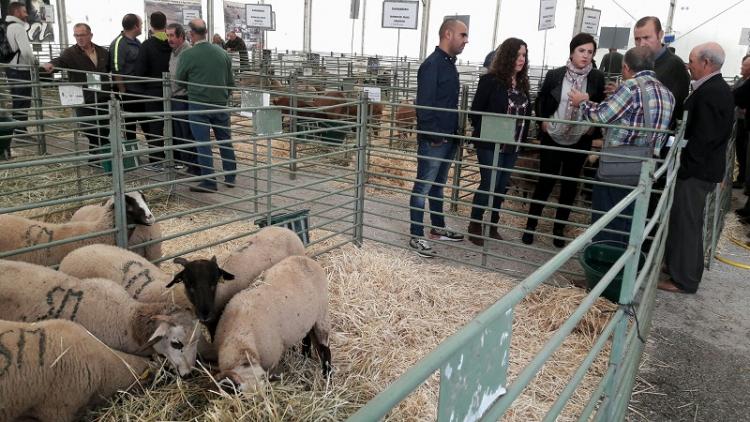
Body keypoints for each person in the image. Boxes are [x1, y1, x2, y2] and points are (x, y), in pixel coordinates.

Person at [569, 46, 675, 244]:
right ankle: (624, 267)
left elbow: (601, 116)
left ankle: (604, 264)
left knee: (609, 220)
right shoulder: (667, 93)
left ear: (626, 67)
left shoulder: (631, 87)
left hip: (618, 167)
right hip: (646, 167)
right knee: (631, 221)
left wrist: (582, 102)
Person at [660, 43, 734, 294]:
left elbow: (705, 138)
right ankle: (681, 269)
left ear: (706, 63)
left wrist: (684, 167)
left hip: (695, 172)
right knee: (685, 221)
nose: (688, 65)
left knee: (687, 224)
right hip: (697, 169)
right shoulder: (713, 89)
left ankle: (685, 280)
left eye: (691, 60)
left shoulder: (713, 92)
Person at [521, 33, 605, 248]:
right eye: (581, 50)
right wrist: (542, 121)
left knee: (570, 185)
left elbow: (600, 105)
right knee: (545, 182)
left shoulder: (596, 78)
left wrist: (592, 129)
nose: (586, 56)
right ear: (572, 51)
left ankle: (559, 229)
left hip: (579, 139)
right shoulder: (556, 75)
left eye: (590, 52)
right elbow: (541, 99)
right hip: (553, 136)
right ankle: (530, 225)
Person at [408, 18, 468, 258]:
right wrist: (433, 135)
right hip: (435, 139)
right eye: (462, 35)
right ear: (447, 34)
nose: (466, 40)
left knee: (437, 186)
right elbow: (423, 104)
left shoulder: (448, 64)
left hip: (448, 137)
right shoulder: (432, 65)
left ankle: (437, 228)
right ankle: (416, 235)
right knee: (423, 186)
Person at [467, 38, 531, 246]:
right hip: (490, 143)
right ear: (507, 56)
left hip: (513, 144)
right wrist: (489, 131)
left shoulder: (523, 83)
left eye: (524, 55)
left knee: (502, 185)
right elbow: (475, 112)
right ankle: (475, 223)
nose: (521, 59)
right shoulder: (490, 81)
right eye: (517, 55)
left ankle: (492, 224)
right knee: (489, 183)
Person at [175, 18, 235, 193]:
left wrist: (195, 88)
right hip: (220, 105)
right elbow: (231, 82)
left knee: (203, 143)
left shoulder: (187, 55)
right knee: (225, 140)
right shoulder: (222, 53)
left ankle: (209, 181)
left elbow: (179, 80)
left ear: (191, 34)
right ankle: (230, 176)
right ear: (206, 32)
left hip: (198, 105)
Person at [42, 23, 111, 154]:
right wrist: (51, 64)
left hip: (102, 95)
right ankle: (100, 153)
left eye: (82, 35)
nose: (79, 38)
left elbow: (109, 69)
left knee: (103, 127)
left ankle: (96, 157)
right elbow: (60, 61)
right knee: (89, 128)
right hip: (83, 97)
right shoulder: (70, 53)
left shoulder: (102, 52)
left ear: (90, 35)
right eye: (76, 35)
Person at [633, 16, 690, 128]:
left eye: (646, 37)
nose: (641, 44)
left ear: (660, 35)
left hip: (657, 136)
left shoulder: (675, 65)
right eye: (637, 39)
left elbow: (671, 108)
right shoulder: (640, 62)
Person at [133, 11, 172, 171]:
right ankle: (176, 158)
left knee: (155, 126)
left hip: (152, 90)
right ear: (165, 23)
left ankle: (156, 160)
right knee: (173, 124)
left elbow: (139, 71)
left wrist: (142, 88)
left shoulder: (147, 45)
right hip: (172, 90)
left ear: (150, 24)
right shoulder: (172, 42)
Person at [166, 22, 197, 175]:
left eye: (172, 35)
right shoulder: (174, 52)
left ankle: (193, 166)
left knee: (186, 133)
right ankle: (187, 164)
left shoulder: (187, 52)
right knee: (179, 134)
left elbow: (187, 77)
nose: (169, 39)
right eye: (167, 35)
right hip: (175, 97)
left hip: (184, 97)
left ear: (181, 36)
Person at [109, 14, 144, 144]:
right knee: (129, 126)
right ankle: (131, 154)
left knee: (145, 122)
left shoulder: (136, 42)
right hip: (129, 92)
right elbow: (116, 68)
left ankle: (153, 155)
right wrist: (123, 91)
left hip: (140, 90)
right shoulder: (119, 43)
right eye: (141, 24)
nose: (142, 27)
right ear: (135, 26)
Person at [4, 2, 35, 143]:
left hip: (10, 68)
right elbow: (27, 51)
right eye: (24, 11)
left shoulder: (6, 26)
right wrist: (35, 64)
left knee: (17, 99)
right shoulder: (18, 27)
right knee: (23, 100)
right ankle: (20, 132)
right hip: (21, 68)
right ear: (16, 12)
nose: (26, 14)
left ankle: (16, 130)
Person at [732, 55, 750, 192]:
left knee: (744, 152)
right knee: (741, 151)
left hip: (744, 122)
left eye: (744, 65)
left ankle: (742, 178)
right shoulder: (741, 81)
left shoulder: (746, 83)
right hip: (741, 120)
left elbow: (736, 95)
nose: (741, 67)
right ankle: (742, 177)